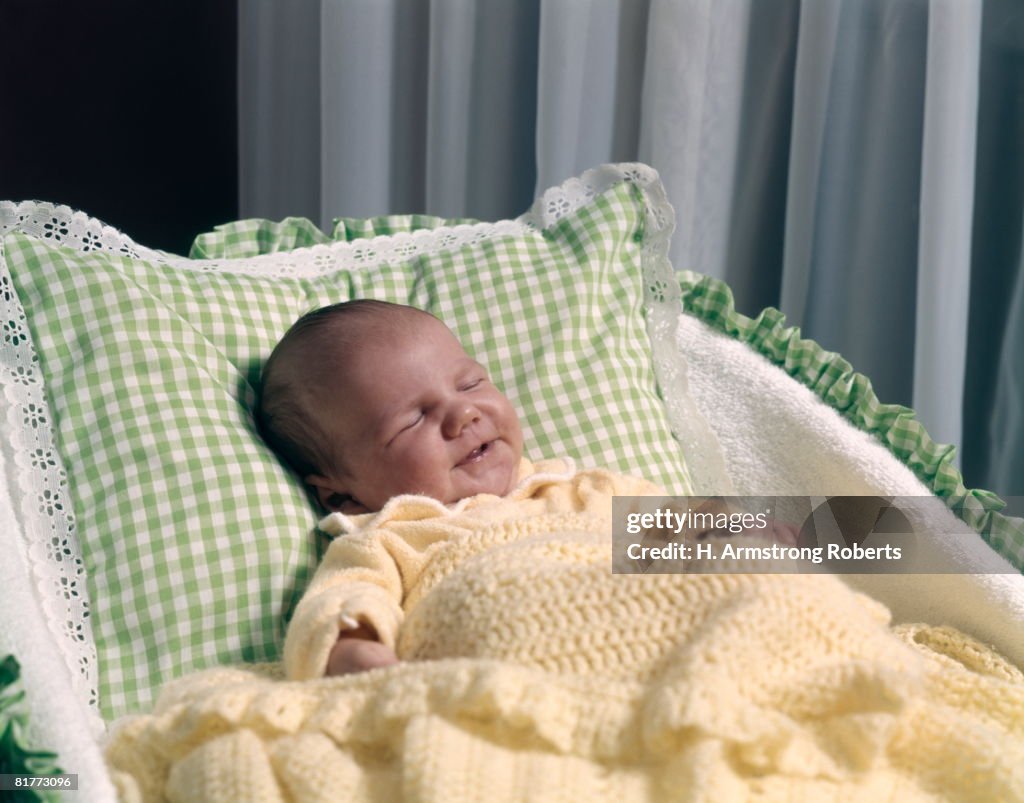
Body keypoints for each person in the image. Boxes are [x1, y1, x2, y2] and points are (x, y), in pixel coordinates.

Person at [258, 300, 790, 679]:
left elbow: (685, 528)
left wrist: (755, 529)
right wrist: (353, 649)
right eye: (411, 421)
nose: (463, 413)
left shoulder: (582, 492)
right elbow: (343, 600)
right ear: (340, 496)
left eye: (470, 384)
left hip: (663, 653)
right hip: (514, 676)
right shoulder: (394, 539)